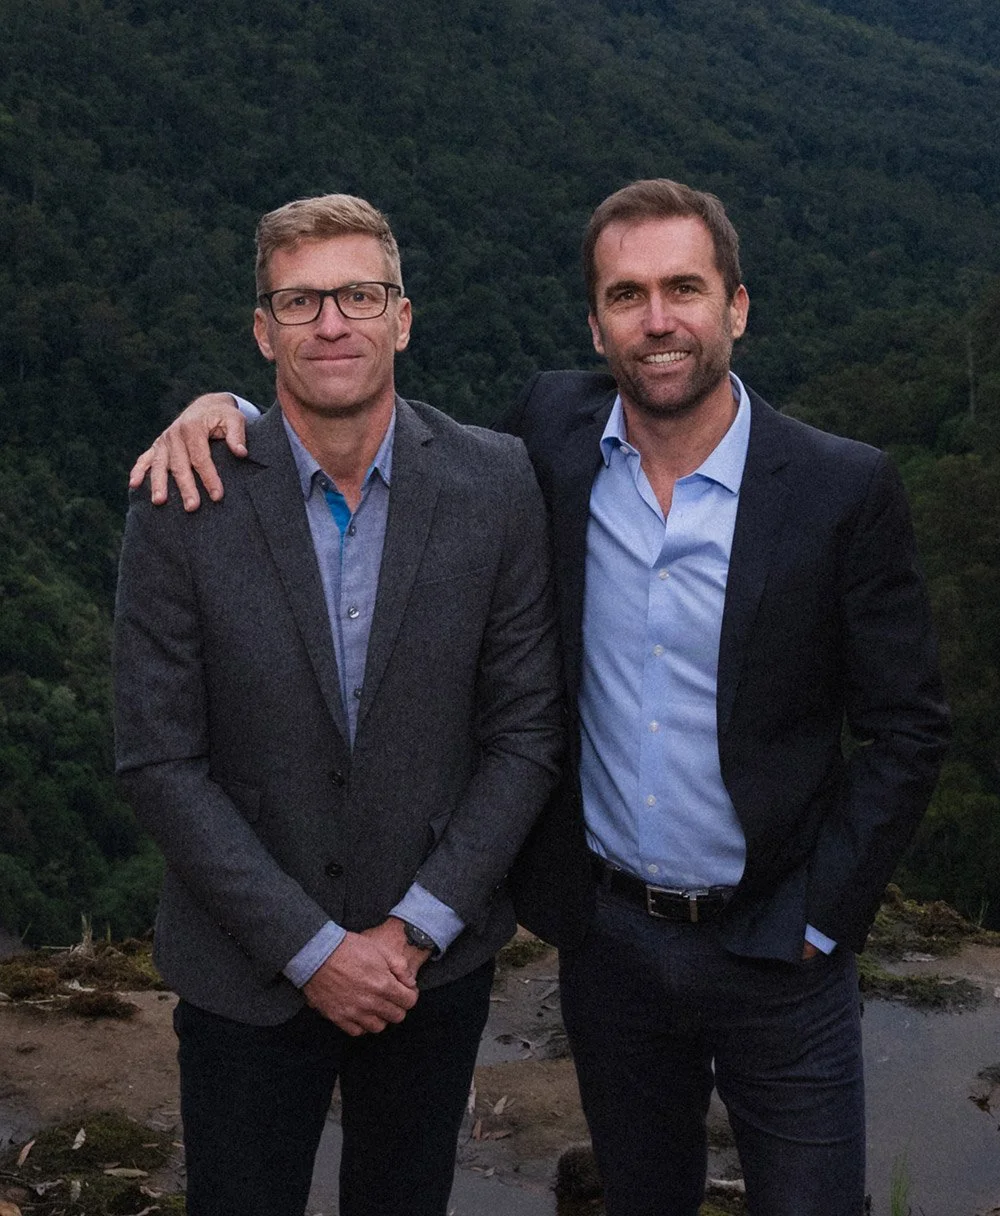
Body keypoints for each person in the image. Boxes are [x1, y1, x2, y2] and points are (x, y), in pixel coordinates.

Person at [130, 179, 950, 1216]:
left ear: (735, 307)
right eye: (625, 294)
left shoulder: (839, 486)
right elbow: (354, 417)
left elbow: (907, 727)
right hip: (610, 945)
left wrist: (822, 916)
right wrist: (227, 411)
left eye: (684, 289)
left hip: (775, 947)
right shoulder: (549, 442)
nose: (657, 320)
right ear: (595, 321)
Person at [114, 193, 562, 1216]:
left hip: (429, 975)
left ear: (401, 318)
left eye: (358, 294)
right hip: (243, 974)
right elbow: (157, 758)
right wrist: (313, 951)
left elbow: (525, 732)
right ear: (263, 330)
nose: (332, 323)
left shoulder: (496, 483)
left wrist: (409, 932)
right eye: (301, 300)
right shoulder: (185, 497)